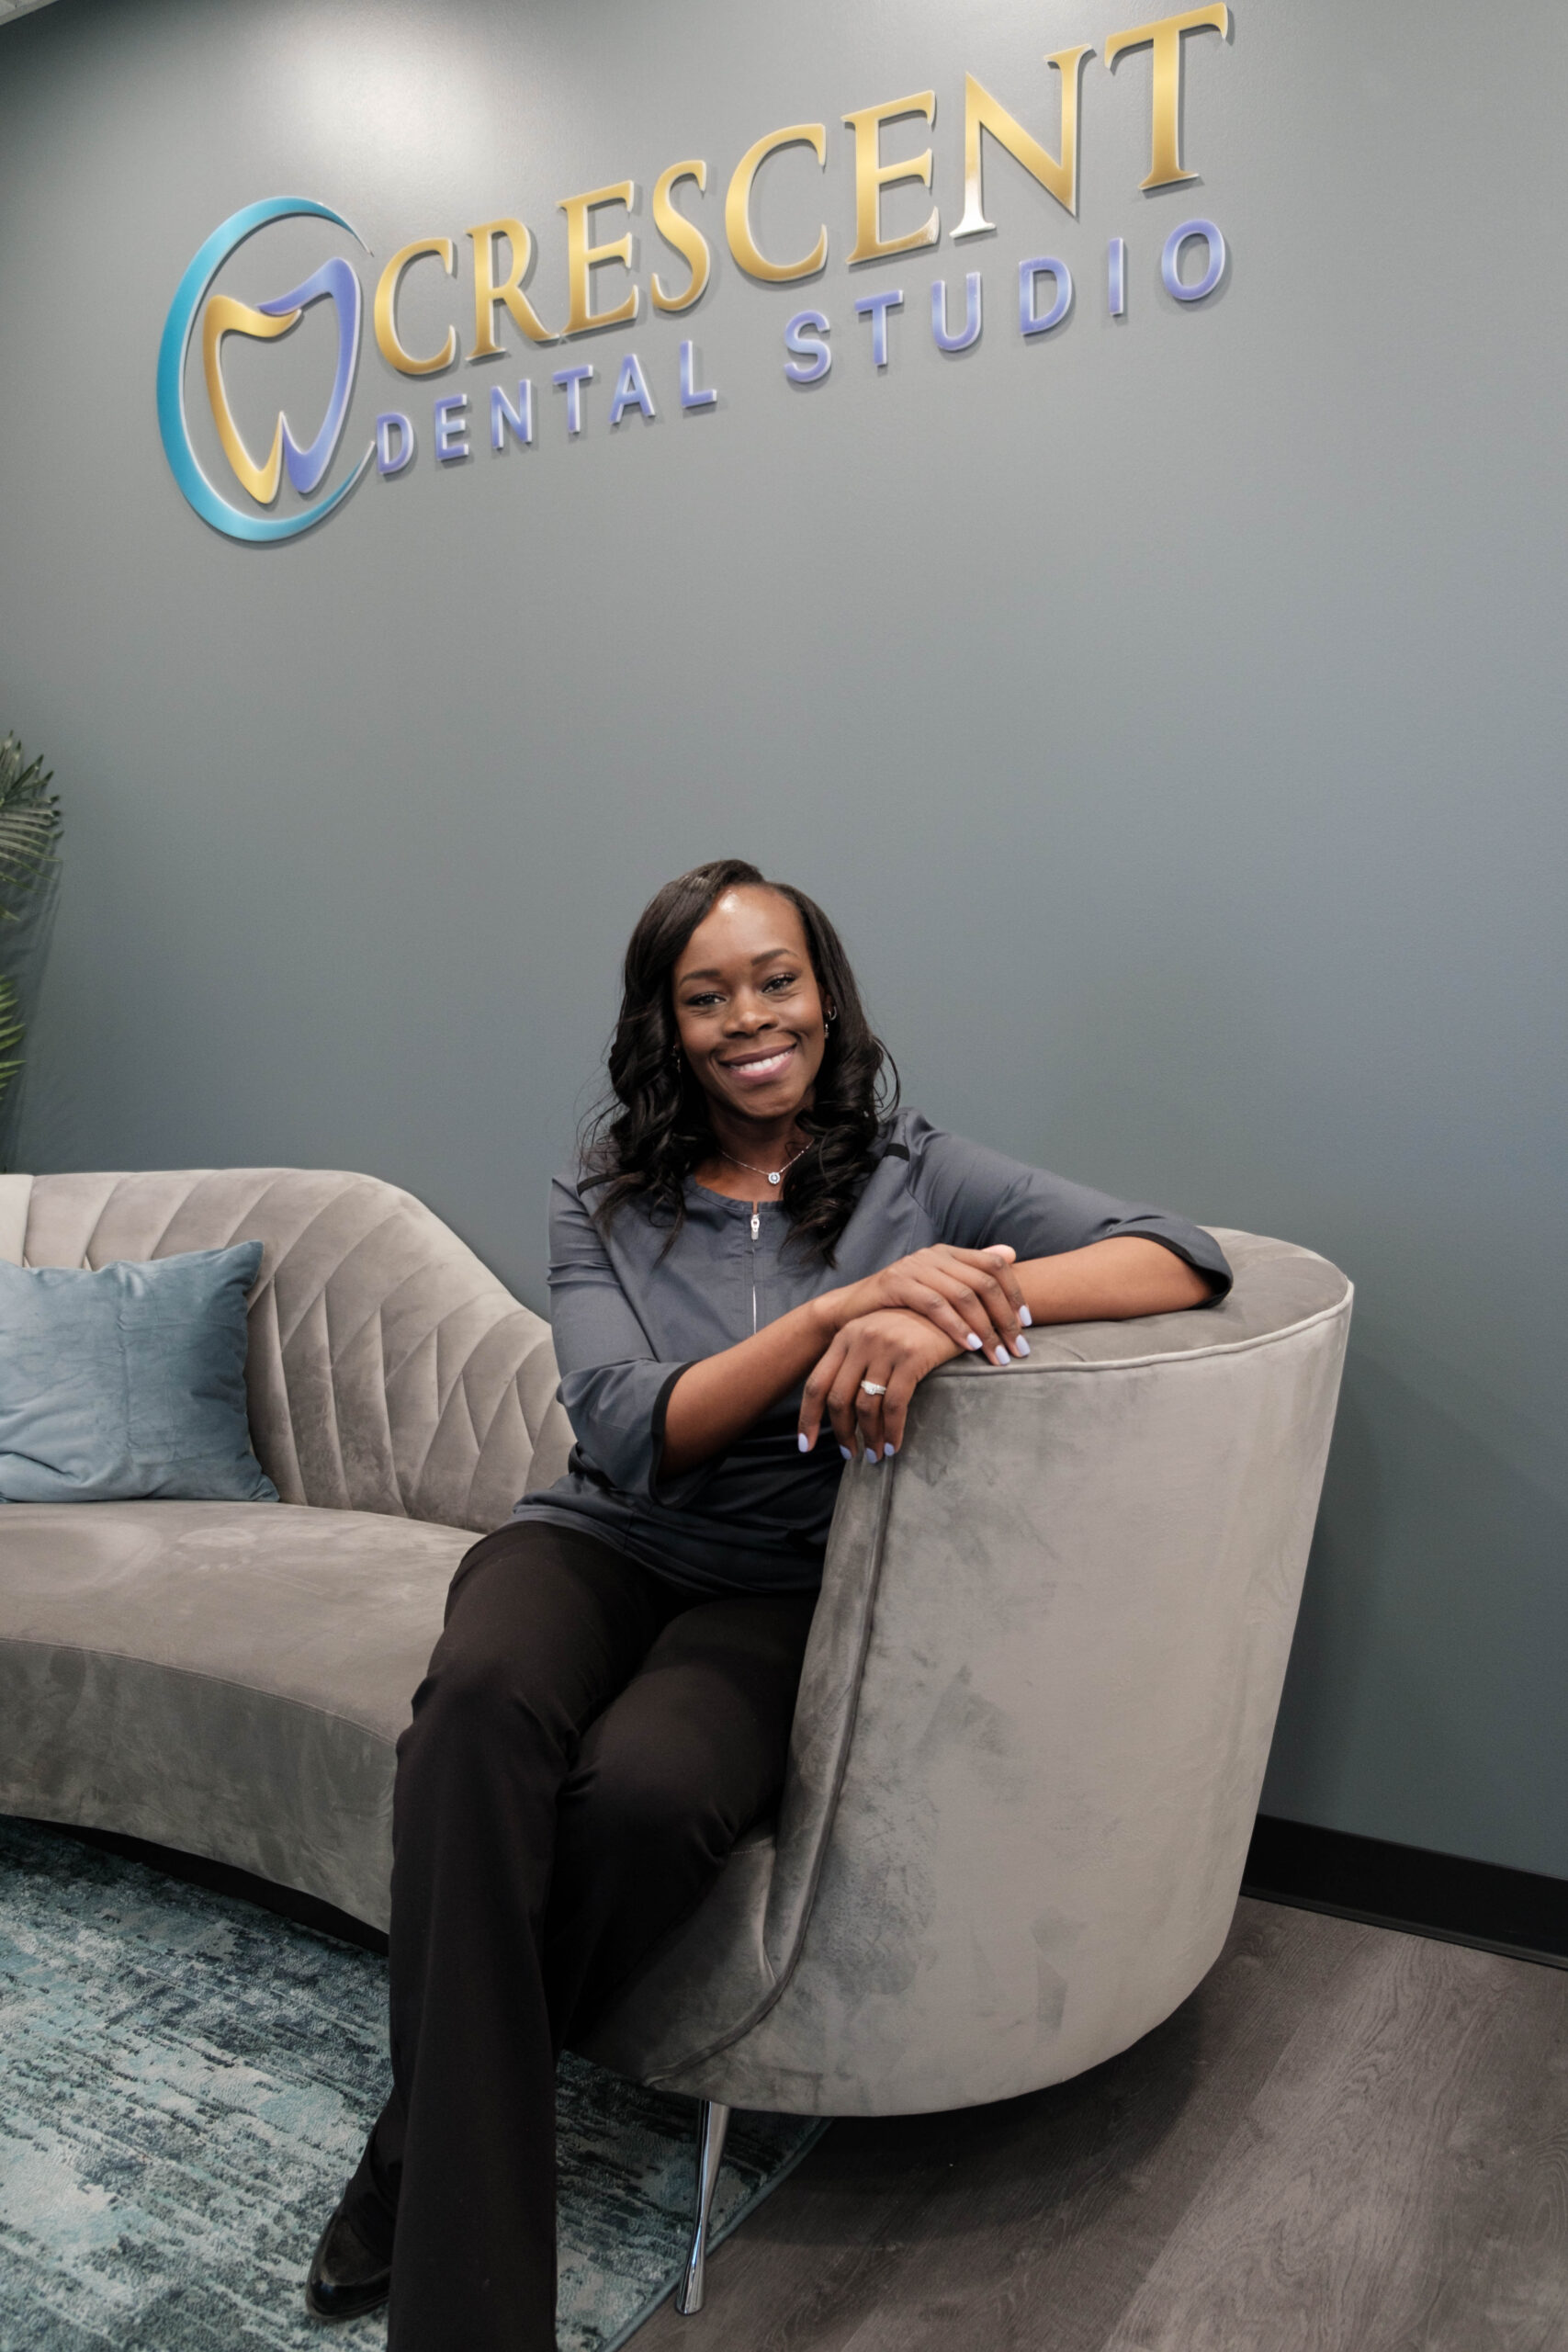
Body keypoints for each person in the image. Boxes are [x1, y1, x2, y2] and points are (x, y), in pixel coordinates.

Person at [304, 859, 1231, 2346]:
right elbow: (623, 1425)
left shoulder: (919, 1175)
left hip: (774, 1588)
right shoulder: (601, 1190)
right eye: (707, 994)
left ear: (824, 992)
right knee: (473, 1714)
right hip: (596, 1541)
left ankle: (417, 2141)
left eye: (776, 980)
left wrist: (962, 1306)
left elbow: (1182, 1258)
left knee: (649, 1800)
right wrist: (839, 1312)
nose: (751, 1018)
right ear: (666, 1025)